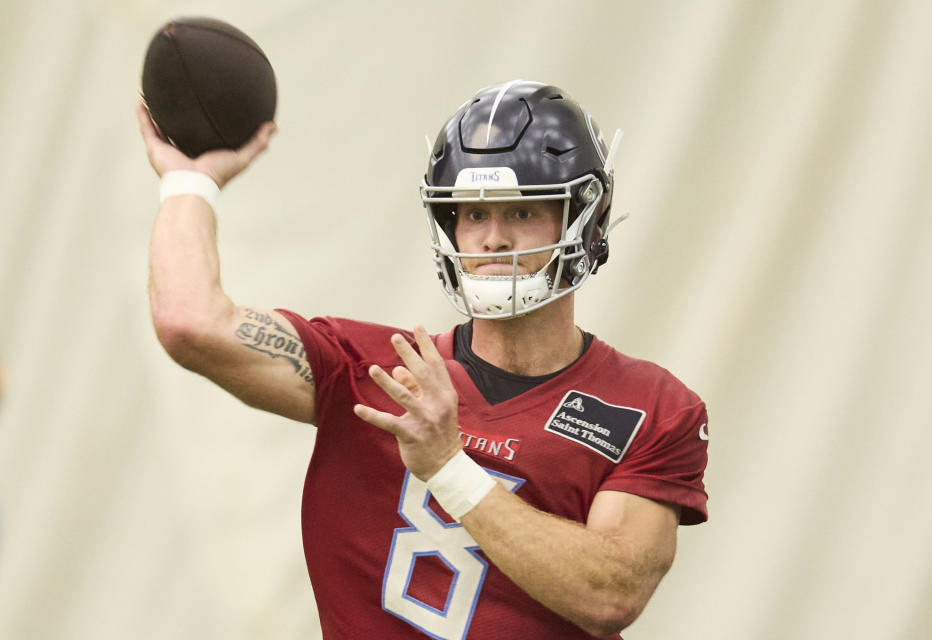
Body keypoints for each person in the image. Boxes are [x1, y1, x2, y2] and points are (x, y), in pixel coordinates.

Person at [137, 79, 708, 640]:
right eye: (474, 214)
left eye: (523, 212)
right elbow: (190, 322)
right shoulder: (367, 368)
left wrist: (448, 465)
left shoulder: (653, 406)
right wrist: (191, 182)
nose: (493, 240)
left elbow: (609, 595)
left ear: (585, 218)